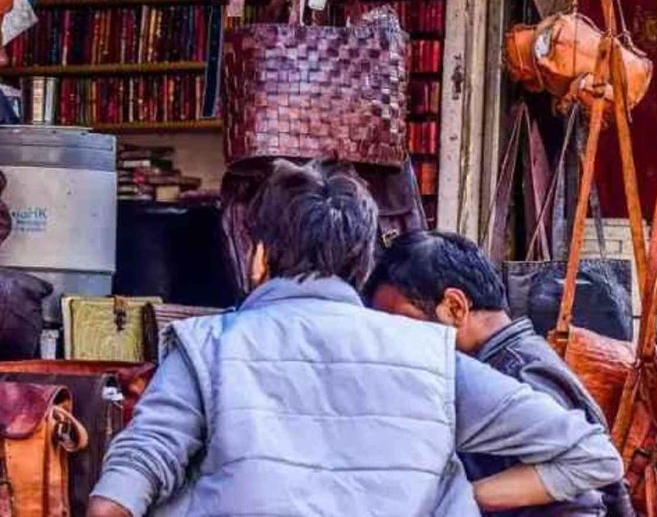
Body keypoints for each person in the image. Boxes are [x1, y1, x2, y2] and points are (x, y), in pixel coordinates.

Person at [86, 161, 623, 517]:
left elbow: (137, 468)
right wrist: (455, 501)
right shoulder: (432, 359)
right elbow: (592, 457)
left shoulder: (208, 346)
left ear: (259, 259)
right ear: (360, 264)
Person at [366, 231, 631, 517]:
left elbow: (586, 495)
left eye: (403, 324)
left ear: (455, 307)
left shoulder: (518, 371)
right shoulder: (511, 359)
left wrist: (456, 497)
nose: (394, 341)